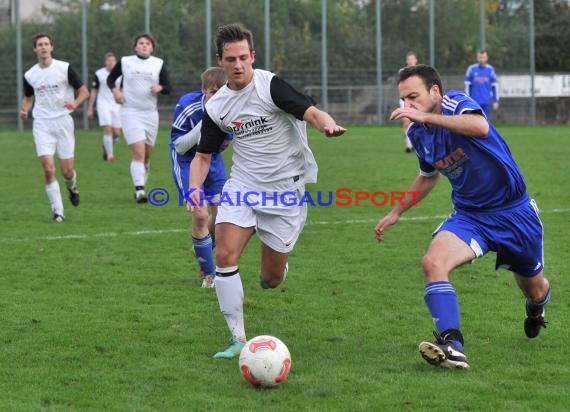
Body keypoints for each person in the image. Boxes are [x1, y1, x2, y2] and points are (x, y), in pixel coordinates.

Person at [375, 64, 550, 369]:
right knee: (432, 263)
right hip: (470, 216)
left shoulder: (455, 102)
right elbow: (428, 177)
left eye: (413, 96)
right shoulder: (419, 134)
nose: (408, 106)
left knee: (534, 288)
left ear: (434, 91)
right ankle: (452, 344)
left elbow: (479, 127)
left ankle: (536, 310)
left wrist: (425, 115)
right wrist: (396, 212)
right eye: (404, 100)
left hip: (515, 214)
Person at [188, 23, 346, 359]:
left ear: (253, 56)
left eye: (243, 57)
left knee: (271, 279)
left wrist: (327, 124)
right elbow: (203, 156)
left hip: (285, 192)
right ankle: (237, 339)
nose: (238, 64)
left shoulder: (270, 85)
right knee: (225, 255)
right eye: (230, 59)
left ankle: (275, 269)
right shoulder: (217, 107)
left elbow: (311, 112)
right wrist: (193, 189)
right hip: (242, 186)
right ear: (221, 60)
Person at [169, 67, 232, 289]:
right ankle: (209, 274)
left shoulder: (234, 108)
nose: (219, 97)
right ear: (203, 90)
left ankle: (204, 248)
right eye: (214, 92)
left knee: (224, 211)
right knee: (200, 213)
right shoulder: (188, 105)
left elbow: (228, 144)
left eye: (223, 92)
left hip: (212, 158)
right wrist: (206, 124)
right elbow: (180, 144)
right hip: (186, 159)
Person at [20, 33, 90, 222]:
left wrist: (75, 104)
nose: (43, 47)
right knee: (49, 169)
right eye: (39, 45)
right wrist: (25, 109)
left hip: (63, 122)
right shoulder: (30, 74)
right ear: (35, 49)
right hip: (42, 123)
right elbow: (28, 97)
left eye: (46, 44)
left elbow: (84, 91)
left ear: (52, 47)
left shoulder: (64, 68)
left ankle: (72, 187)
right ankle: (58, 212)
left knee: (67, 171)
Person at [107, 33, 172, 203]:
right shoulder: (126, 61)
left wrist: (160, 88)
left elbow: (168, 88)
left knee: (147, 156)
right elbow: (110, 79)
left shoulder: (158, 64)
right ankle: (139, 191)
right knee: (138, 152)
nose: (144, 45)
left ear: (152, 48)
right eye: (141, 43)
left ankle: (141, 182)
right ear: (135, 47)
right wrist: (116, 91)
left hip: (150, 114)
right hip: (130, 112)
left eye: (147, 43)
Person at [87, 52, 122, 162]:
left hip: (117, 105)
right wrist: (90, 108)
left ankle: (106, 146)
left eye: (113, 60)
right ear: (105, 62)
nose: (111, 62)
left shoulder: (121, 74)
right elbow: (94, 91)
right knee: (107, 129)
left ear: (116, 62)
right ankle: (110, 156)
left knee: (116, 133)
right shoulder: (99, 74)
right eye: (108, 60)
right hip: (103, 104)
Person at [464, 50, 499, 119]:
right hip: (474, 102)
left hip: (486, 102)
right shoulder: (471, 69)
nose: (482, 59)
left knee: (486, 123)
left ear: (487, 58)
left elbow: (495, 86)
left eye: (483, 57)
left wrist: (496, 101)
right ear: (477, 58)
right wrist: (467, 100)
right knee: (473, 123)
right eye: (480, 57)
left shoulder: (491, 70)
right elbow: (467, 86)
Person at [400, 51, 419, 153]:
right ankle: (409, 146)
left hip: (417, 99)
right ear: (406, 60)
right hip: (406, 99)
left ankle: (416, 144)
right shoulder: (403, 71)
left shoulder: (420, 72)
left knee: (417, 121)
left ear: (416, 60)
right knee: (406, 121)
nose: (411, 61)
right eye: (409, 59)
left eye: (412, 59)